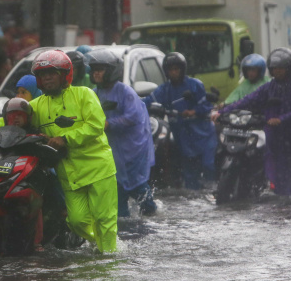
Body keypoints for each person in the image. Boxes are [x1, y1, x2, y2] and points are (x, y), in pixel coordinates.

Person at [29, 50, 118, 253]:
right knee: (77, 222)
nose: (47, 78)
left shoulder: (84, 94)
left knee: (104, 219)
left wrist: (65, 138)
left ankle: (109, 259)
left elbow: (96, 125)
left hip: (98, 169)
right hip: (70, 175)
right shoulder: (37, 106)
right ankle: (103, 245)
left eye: (52, 73)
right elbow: (14, 117)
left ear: (64, 75)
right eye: (43, 74)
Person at [214, 48, 291, 196]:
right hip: (280, 138)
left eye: (281, 68)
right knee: (281, 176)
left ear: (289, 69)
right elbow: (249, 100)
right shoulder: (270, 86)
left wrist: (281, 119)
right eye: (274, 68)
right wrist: (223, 111)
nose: (277, 71)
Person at [87, 48, 157, 217]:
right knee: (117, 189)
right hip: (112, 152)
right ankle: (123, 224)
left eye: (100, 70)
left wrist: (109, 124)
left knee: (138, 187)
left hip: (132, 150)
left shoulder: (126, 92)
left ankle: (150, 212)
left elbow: (133, 117)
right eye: (94, 70)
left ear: (111, 71)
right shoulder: (94, 93)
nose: (96, 73)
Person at [143, 52, 217, 190]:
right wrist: (129, 103)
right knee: (189, 173)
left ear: (183, 70)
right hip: (183, 136)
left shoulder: (195, 85)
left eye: (177, 69)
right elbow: (147, 102)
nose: (174, 73)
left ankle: (213, 193)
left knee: (208, 165)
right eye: (171, 70)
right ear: (166, 72)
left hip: (203, 134)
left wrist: (193, 111)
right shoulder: (164, 90)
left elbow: (206, 105)